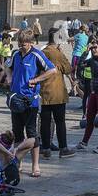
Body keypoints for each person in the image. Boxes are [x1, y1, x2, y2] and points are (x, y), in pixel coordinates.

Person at [6, 30, 58, 176]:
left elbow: (52, 70)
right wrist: (9, 77)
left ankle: (35, 165)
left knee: (32, 134)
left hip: (31, 100)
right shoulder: (16, 54)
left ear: (31, 43)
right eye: (20, 44)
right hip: (16, 98)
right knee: (17, 133)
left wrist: (36, 80)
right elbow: (7, 66)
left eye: (24, 45)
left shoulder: (36, 55)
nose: (21, 47)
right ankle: (19, 163)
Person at [40, 28, 76, 159]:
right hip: (57, 93)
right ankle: (63, 148)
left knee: (45, 121)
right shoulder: (57, 53)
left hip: (44, 92)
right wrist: (62, 54)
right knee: (60, 121)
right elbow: (68, 68)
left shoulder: (42, 52)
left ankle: (46, 149)